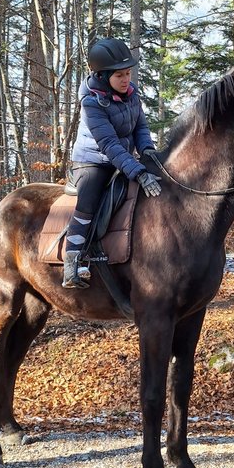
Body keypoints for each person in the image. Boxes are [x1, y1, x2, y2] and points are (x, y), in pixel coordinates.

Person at [62, 37, 162, 288]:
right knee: (90, 200)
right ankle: (72, 262)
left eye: (128, 73)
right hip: (93, 161)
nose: (126, 79)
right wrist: (137, 172)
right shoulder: (91, 103)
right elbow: (108, 144)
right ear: (103, 76)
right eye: (120, 75)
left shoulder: (131, 94)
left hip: (124, 158)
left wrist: (148, 152)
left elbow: (140, 127)